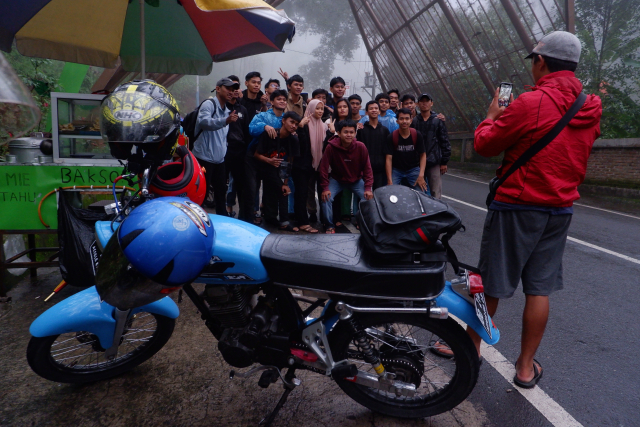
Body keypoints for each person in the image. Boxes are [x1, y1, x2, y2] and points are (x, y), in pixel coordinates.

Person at [466, 31, 601, 388]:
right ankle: (525, 368)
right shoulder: (590, 106)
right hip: (559, 209)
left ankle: (468, 348)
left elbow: (484, 145)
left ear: (541, 62)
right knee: (538, 288)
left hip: (517, 205)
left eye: (534, 61)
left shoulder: (530, 102)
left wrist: (492, 116)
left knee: (491, 281)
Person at [192, 77, 239, 215]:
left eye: (233, 90)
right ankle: (196, 219)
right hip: (204, 158)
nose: (231, 92)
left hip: (219, 160)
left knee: (220, 192)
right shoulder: (209, 104)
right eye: (228, 89)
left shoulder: (226, 109)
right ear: (218, 88)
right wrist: (226, 120)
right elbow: (204, 122)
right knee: (202, 192)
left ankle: (222, 219)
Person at [319, 119, 374, 234]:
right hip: (337, 179)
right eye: (345, 132)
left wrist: (368, 188)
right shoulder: (331, 147)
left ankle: (361, 222)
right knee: (326, 198)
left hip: (356, 180)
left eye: (351, 132)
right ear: (338, 133)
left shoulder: (361, 147)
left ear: (355, 133)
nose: (348, 135)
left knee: (369, 199)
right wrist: (325, 188)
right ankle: (329, 225)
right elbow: (323, 168)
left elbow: (368, 169)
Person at [243, 89, 289, 225]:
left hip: (273, 156)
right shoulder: (263, 116)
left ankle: (270, 218)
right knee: (252, 188)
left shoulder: (285, 119)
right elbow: (251, 129)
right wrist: (265, 126)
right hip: (254, 155)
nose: (282, 101)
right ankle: (248, 218)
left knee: (271, 189)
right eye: (279, 99)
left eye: (284, 100)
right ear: (272, 101)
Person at [254, 111, 301, 231]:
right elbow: (256, 155)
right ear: (283, 121)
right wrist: (269, 160)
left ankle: (270, 217)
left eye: (296, 124)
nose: (293, 126)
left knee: (281, 188)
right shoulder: (270, 134)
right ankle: (284, 222)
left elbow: (290, 162)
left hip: (278, 168)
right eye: (291, 122)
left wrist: (285, 182)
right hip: (262, 166)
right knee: (282, 190)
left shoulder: (293, 140)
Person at [293, 99, 324, 233]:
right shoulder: (303, 123)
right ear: (311, 109)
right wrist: (300, 127)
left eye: (322, 109)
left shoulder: (322, 125)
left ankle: (304, 220)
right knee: (302, 193)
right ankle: (302, 222)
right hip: (301, 165)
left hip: (315, 166)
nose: (320, 111)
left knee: (309, 193)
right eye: (317, 108)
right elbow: (300, 145)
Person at [411, 93, 451, 199]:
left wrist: (444, 162)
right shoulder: (414, 121)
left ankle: (438, 212)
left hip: (434, 161)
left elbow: (444, 141)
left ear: (431, 103)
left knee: (435, 191)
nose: (424, 103)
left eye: (427, 101)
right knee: (419, 190)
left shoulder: (437, 120)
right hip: (417, 161)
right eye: (422, 101)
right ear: (418, 104)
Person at [224, 75, 250, 218]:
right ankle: (223, 213)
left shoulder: (243, 109)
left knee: (241, 185)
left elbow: (246, 132)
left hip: (239, 151)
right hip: (223, 151)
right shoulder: (221, 107)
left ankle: (244, 217)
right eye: (230, 87)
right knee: (222, 184)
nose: (234, 90)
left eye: (236, 87)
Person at [384, 108, 428, 193]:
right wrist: (389, 180)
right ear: (397, 121)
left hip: (413, 169)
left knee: (422, 193)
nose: (404, 121)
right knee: (390, 193)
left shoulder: (416, 135)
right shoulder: (392, 137)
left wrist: (421, 175)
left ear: (411, 120)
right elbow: (388, 158)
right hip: (396, 170)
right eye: (401, 118)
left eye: (407, 118)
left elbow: (423, 154)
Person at [357, 100, 389, 190]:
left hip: (380, 171)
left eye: (376, 108)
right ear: (366, 112)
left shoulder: (384, 130)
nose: (374, 110)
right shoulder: (361, 130)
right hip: (365, 170)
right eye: (371, 109)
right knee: (365, 197)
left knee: (378, 195)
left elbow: (387, 152)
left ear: (379, 111)